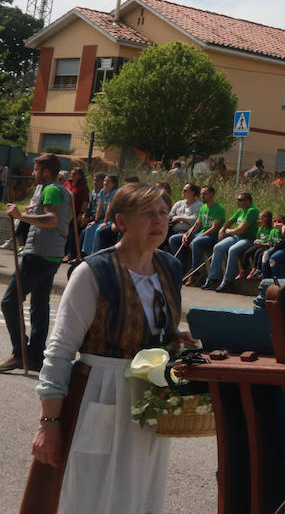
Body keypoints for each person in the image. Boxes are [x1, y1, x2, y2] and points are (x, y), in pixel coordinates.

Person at [30, 182, 183, 513]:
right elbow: (59, 349)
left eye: (163, 213)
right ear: (122, 221)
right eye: (148, 214)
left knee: (139, 491)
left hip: (149, 398)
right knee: (90, 492)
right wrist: (49, 424)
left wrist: (177, 342)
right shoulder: (92, 272)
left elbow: (162, 333)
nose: (159, 221)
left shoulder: (170, 269)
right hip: (99, 392)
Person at [2, 154, 75, 371]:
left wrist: (20, 216)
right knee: (39, 306)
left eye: (35, 169)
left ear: (45, 171)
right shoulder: (63, 191)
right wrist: (31, 214)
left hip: (40, 255)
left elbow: (52, 220)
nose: (33, 173)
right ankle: (34, 356)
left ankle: (19, 352)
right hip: (52, 255)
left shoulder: (51, 189)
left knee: (9, 301)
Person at [203, 193, 259, 291]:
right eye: (237, 199)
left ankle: (227, 280)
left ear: (247, 201)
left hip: (248, 239)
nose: (237, 201)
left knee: (232, 250)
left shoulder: (252, 211)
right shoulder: (240, 210)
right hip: (237, 237)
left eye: (240, 200)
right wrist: (222, 229)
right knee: (218, 247)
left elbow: (241, 230)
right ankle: (213, 278)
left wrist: (228, 231)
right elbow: (230, 221)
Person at [168, 184, 225, 279]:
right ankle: (179, 268)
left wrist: (198, 236)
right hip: (201, 233)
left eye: (204, 194)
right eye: (201, 194)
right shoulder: (204, 207)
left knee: (196, 242)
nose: (201, 196)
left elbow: (214, 228)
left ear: (211, 194)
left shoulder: (219, 209)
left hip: (212, 236)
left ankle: (195, 271)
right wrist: (187, 234)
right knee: (174, 239)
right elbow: (197, 224)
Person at [82, 175, 118, 256]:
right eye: (105, 181)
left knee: (99, 230)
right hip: (105, 219)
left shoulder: (115, 193)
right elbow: (100, 207)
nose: (105, 183)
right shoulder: (102, 191)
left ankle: (95, 254)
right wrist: (95, 220)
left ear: (114, 184)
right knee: (90, 228)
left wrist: (105, 222)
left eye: (108, 181)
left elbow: (109, 209)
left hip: (113, 220)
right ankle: (87, 254)